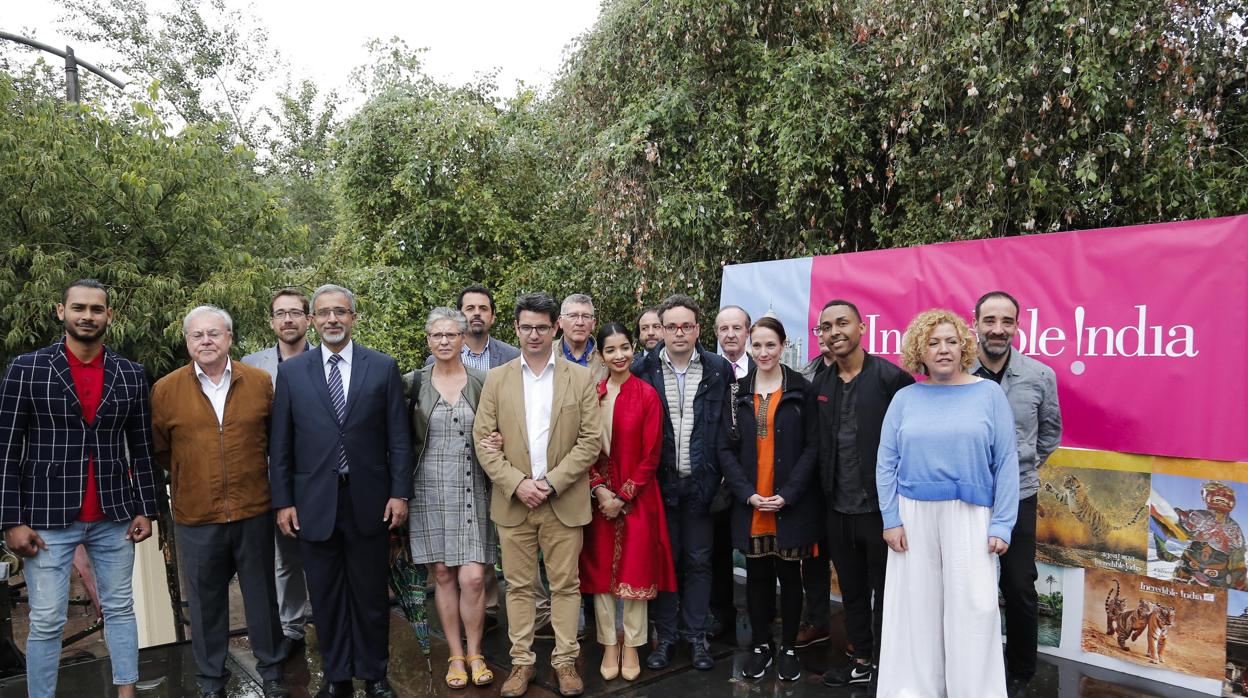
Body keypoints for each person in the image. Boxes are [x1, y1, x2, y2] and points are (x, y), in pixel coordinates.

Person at [0, 279, 159, 698]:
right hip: (47, 519)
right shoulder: (27, 368)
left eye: (96, 309)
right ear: (61, 311)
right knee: (48, 619)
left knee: (122, 610)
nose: (87, 316)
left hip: (114, 516)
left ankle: (126, 692)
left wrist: (147, 507)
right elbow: (5, 449)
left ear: (110, 316)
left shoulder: (130, 373)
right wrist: (10, 521)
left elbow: (143, 448)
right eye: (79, 308)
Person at [269, 284, 412, 698]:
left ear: (353, 318)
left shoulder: (382, 367)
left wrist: (399, 493)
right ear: (312, 321)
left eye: (341, 312)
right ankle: (336, 676)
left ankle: (375, 674)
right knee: (326, 597)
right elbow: (281, 445)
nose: (333, 319)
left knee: (370, 595)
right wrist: (284, 501)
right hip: (313, 504)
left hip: (369, 499)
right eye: (324, 313)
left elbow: (398, 439)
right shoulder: (293, 372)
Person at [875, 309, 1019, 698]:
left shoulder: (988, 394)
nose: (943, 350)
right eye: (933, 342)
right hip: (912, 516)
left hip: (971, 514)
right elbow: (886, 463)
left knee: (976, 607)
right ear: (919, 350)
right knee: (917, 610)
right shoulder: (905, 398)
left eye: (951, 341)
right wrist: (891, 518)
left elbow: (1006, 461)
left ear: (964, 346)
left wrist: (1002, 523)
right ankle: (915, 689)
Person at [151, 306, 289, 698]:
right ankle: (211, 679)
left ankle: (273, 671)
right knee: (205, 602)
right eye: (198, 335)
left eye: (214, 333)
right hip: (197, 514)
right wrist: (191, 476)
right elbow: (162, 450)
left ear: (229, 338)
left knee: (261, 596)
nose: (206, 341)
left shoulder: (260, 382)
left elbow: (275, 441)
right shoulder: (166, 389)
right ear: (188, 341)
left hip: (253, 508)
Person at [473, 292, 600, 698]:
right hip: (514, 502)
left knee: (566, 586)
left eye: (541, 327)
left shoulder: (580, 378)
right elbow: (483, 440)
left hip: (562, 500)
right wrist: (517, 483)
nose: (533, 334)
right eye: (526, 326)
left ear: (555, 327)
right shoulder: (497, 378)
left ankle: (565, 662)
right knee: (519, 587)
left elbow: (590, 441)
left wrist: (550, 482)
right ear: (515, 328)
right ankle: (522, 663)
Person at [813, 300, 915, 688]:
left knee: (888, 591)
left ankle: (889, 666)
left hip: (882, 511)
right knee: (852, 591)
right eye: (826, 326)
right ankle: (862, 658)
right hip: (837, 509)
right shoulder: (820, 384)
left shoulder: (893, 380)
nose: (835, 331)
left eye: (842, 323)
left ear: (861, 328)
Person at [717, 316, 821, 682]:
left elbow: (813, 447)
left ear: (782, 345)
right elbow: (724, 449)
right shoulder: (736, 393)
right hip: (751, 503)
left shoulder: (801, 390)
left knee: (790, 576)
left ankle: (789, 647)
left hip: (789, 504)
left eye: (770, 345)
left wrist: (788, 494)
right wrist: (748, 494)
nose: (763, 352)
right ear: (749, 346)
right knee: (757, 576)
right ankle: (761, 645)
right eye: (757, 345)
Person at [633, 294, 732, 671]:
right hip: (660, 486)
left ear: (697, 329)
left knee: (700, 562)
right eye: (670, 326)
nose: (678, 333)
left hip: (702, 484)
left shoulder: (717, 369)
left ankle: (696, 637)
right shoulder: (643, 370)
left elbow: (725, 428)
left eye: (685, 326)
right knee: (666, 562)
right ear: (661, 329)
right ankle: (667, 637)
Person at [971, 291, 1061, 698]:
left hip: (1020, 496)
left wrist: (1018, 470)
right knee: (968, 583)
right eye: (990, 320)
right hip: (967, 496)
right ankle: (971, 663)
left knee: (1020, 586)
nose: (997, 329)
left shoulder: (1040, 376)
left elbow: (1050, 434)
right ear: (975, 324)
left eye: (1006, 321)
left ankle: (1021, 671)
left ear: (1017, 326)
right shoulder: (957, 373)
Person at [578, 323, 676, 682]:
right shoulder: (593, 394)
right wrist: (601, 490)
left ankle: (632, 643)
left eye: (624, 348)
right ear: (600, 355)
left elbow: (652, 454)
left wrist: (623, 495)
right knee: (601, 574)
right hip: (598, 500)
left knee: (636, 572)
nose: (619, 356)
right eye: (611, 350)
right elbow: (584, 446)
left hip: (638, 498)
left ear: (632, 349)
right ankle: (608, 642)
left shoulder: (647, 394)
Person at [404, 308, 496, 689]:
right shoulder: (410, 383)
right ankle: (455, 656)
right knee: (442, 574)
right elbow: (397, 438)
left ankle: (477, 652)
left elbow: (500, 426)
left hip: (472, 486)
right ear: (428, 340)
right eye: (437, 335)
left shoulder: (483, 381)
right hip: (426, 488)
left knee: (473, 578)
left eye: (451, 335)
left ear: (462, 339)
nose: (444, 341)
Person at [241, 287, 314, 648]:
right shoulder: (251, 366)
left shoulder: (326, 360)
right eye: (281, 313)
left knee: (322, 550)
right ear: (271, 321)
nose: (288, 319)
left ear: (308, 319)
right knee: (282, 556)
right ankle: (292, 628)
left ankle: (333, 618)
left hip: (318, 474)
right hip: (268, 475)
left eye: (296, 312)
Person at [424, 284, 521, 370]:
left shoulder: (512, 357)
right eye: (470, 308)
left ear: (492, 317)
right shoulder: (435, 360)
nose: (477, 313)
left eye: (483, 308)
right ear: (458, 316)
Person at [558, 293, 598, 368]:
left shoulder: (606, 358)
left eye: (586, 316)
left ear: (593, 323)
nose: (580, 323)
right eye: (573, 316)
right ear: (561, 321)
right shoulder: (547, 354)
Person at [715, 305, 753, 379]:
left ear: (748, 332)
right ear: (716, 333)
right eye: (724, 329)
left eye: (736, 328)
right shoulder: (705, 371)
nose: (731, 335)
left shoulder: (760, 371)